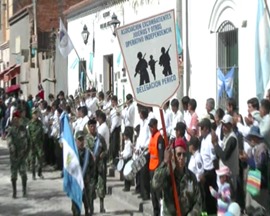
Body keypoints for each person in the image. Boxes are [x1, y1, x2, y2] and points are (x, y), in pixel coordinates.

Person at [152, 136, 202, 215]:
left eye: (184, 154)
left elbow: (198, 202)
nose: (181, 157)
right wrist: (165, 162)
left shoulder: (191, 177)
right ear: (173, 156)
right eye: (179, 154)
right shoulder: (167, 174)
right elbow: (155, 184)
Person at [85, 118, 107, 213]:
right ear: (89, 128)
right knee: (91, 187)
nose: (93, 128)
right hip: (91, 168)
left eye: (94, 126)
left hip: (100, 166)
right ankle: (91, 208)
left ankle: (102, 206)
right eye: (91, 126)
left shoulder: (100, 138)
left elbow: (106, 149)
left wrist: (103, 154)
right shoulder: (86, 139)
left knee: (101, 186)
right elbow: (85, 152)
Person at [72, 131, 95, 216]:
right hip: (76, 185)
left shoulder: (88, 153)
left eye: (82, 139)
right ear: (76, 141)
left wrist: (91, 181)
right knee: (76, 210)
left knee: (88, 209)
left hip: (86, 184)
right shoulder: (73, 154)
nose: (81, 142)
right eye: (79, 140)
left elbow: (93, 167)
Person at [7, 111, 29, 198]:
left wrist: (27, 152)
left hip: (22, 156)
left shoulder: (24, 129)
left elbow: (28, 141)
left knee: (23, 174)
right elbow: (9, 139)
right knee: (13, 175)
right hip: (14, 156)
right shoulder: (11, 130)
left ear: (20, 120)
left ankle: (24, 190)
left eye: (18, 119)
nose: (16, 121)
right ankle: (14, 191)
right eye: (14, 119)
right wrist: (11, 145)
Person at [199, 118, 218, 214]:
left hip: (210, 172)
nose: (200, 130)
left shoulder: (210, 140)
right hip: (205, 170)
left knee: (211, 198)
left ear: (206, 129)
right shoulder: (203, 140)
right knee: (205, 197)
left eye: (201, 128)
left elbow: (214, 159)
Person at [148, 118, 165, 216]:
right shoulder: (153, 136)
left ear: (155, 126)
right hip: (151, 167)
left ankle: (159, 213)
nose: (150, 128)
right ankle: (155, 212)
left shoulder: (159, 137)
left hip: (156, 169)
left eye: (152, 126)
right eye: (150, 126)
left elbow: (161, 155)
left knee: (158, 194)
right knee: (153, 194)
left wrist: (159, 170)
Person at [27, 108, 44, 180]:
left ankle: (39, 172)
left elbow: (42, 133)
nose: (35, 115)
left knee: (40, 159)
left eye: (36, 113)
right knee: (32, 160)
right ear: (32, 114)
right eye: (34, 113)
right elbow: (28, 134)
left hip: (39, 144)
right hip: (32, 144)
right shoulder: (29, 124)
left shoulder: (40, 123)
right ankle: (33, 174)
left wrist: (42, 142)